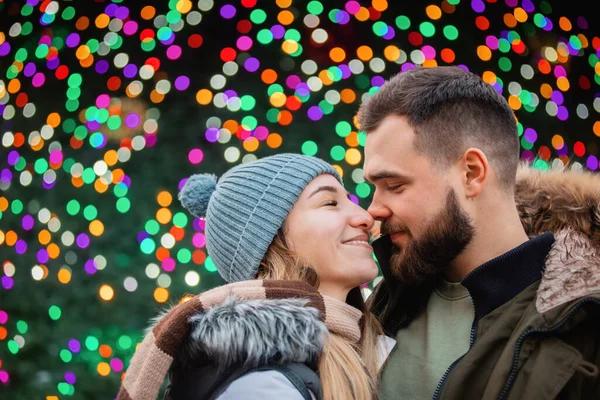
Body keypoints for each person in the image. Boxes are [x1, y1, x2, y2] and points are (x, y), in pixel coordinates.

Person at [358, 66, 600, 399]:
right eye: (374, 186)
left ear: (472, 173)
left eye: (394, 185)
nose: (374, 209)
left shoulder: (584, 329)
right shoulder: (379, 308)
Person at [117, 153, 393, 400]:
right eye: (330, 202)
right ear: (270, 244)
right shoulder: (260, 382)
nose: (364, 216)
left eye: (351, 201)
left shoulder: (361, 349)